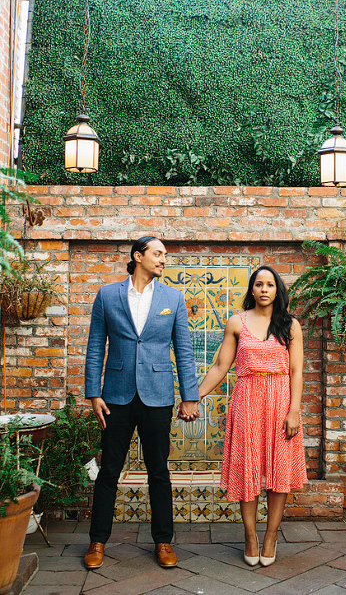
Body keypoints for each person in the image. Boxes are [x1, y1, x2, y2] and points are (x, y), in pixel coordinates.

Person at [84, 236, 200, 570]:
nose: (164, 259)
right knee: (109, 471)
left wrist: (189, 396)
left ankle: (164, 541)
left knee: (158, 472)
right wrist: (94, 393)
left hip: (157, 397)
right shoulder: (108, 295)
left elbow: (184, 350)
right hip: (116, 396)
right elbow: (95, 347)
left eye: (165, 254)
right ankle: (97, 541)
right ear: (139, 256)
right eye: (158, 253)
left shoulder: (173, 298)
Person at [195, 265, 307, 567]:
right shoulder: (236, 322)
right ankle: (250, 536)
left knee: (277, 473)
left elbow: (296, 371)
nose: (264, 290)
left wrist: (294, 411)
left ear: (277, 289)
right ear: (252, 289)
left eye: (270, 285)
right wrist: (195, 395)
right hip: (247, 402)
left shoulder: (289, 325)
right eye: (259, 284)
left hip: (281, 402)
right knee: (248, 470)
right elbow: (221, 366)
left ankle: (270, 536)